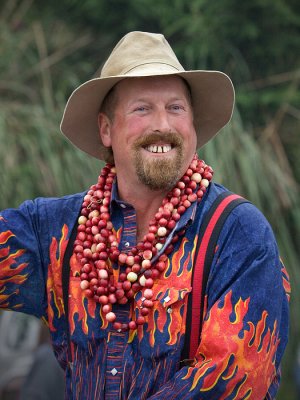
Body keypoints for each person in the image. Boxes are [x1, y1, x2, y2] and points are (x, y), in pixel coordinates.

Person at [0, 31, 290, 399]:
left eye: (176, 108)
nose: (163, 126)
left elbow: (234, 379)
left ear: (193, 127)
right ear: (107, 129)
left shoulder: (238, 233)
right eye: (142, 108)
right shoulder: (55, 232)